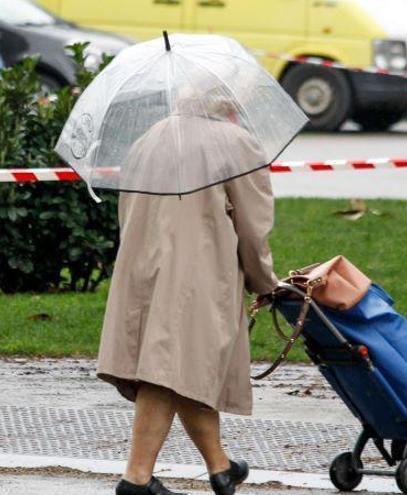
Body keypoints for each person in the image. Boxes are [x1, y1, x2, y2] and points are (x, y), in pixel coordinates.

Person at [98, 97, 279, 495]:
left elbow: (126, 208)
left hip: (143, 266)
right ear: (231, 103)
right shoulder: (236, 142)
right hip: (197, 271)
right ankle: (137, 478)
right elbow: (253, 226)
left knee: (181, 366)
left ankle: (221, 467)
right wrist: (265, 282)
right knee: (168, 368)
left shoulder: (149, 137)